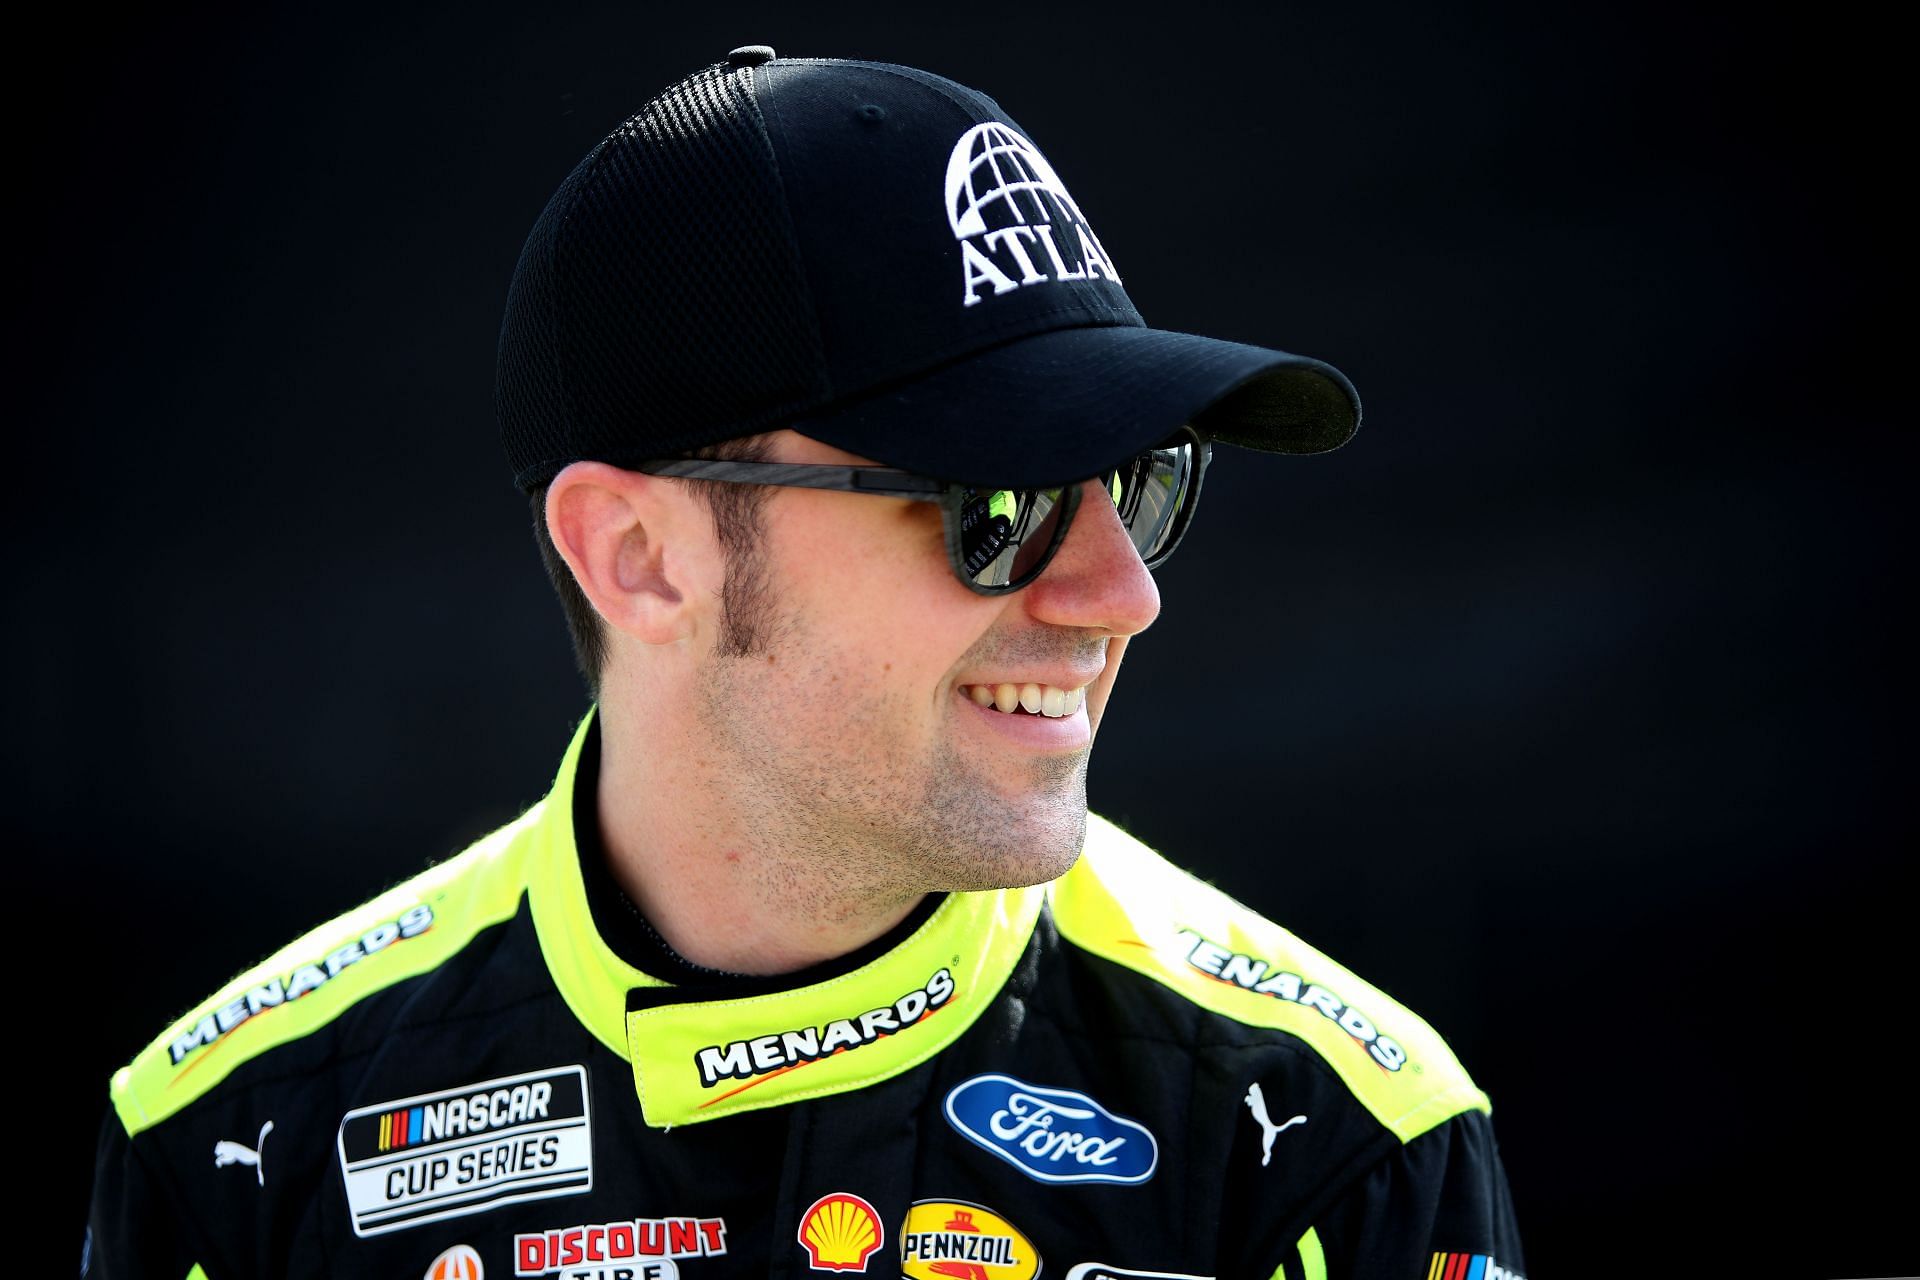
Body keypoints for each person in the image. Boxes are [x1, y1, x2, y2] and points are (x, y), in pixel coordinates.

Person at [85, 47, 1525, 1280]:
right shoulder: (232, 1147)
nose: (1122, 594)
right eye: (995, 507)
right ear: (640, 557)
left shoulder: (1344, 1145)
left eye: (1137, 479)